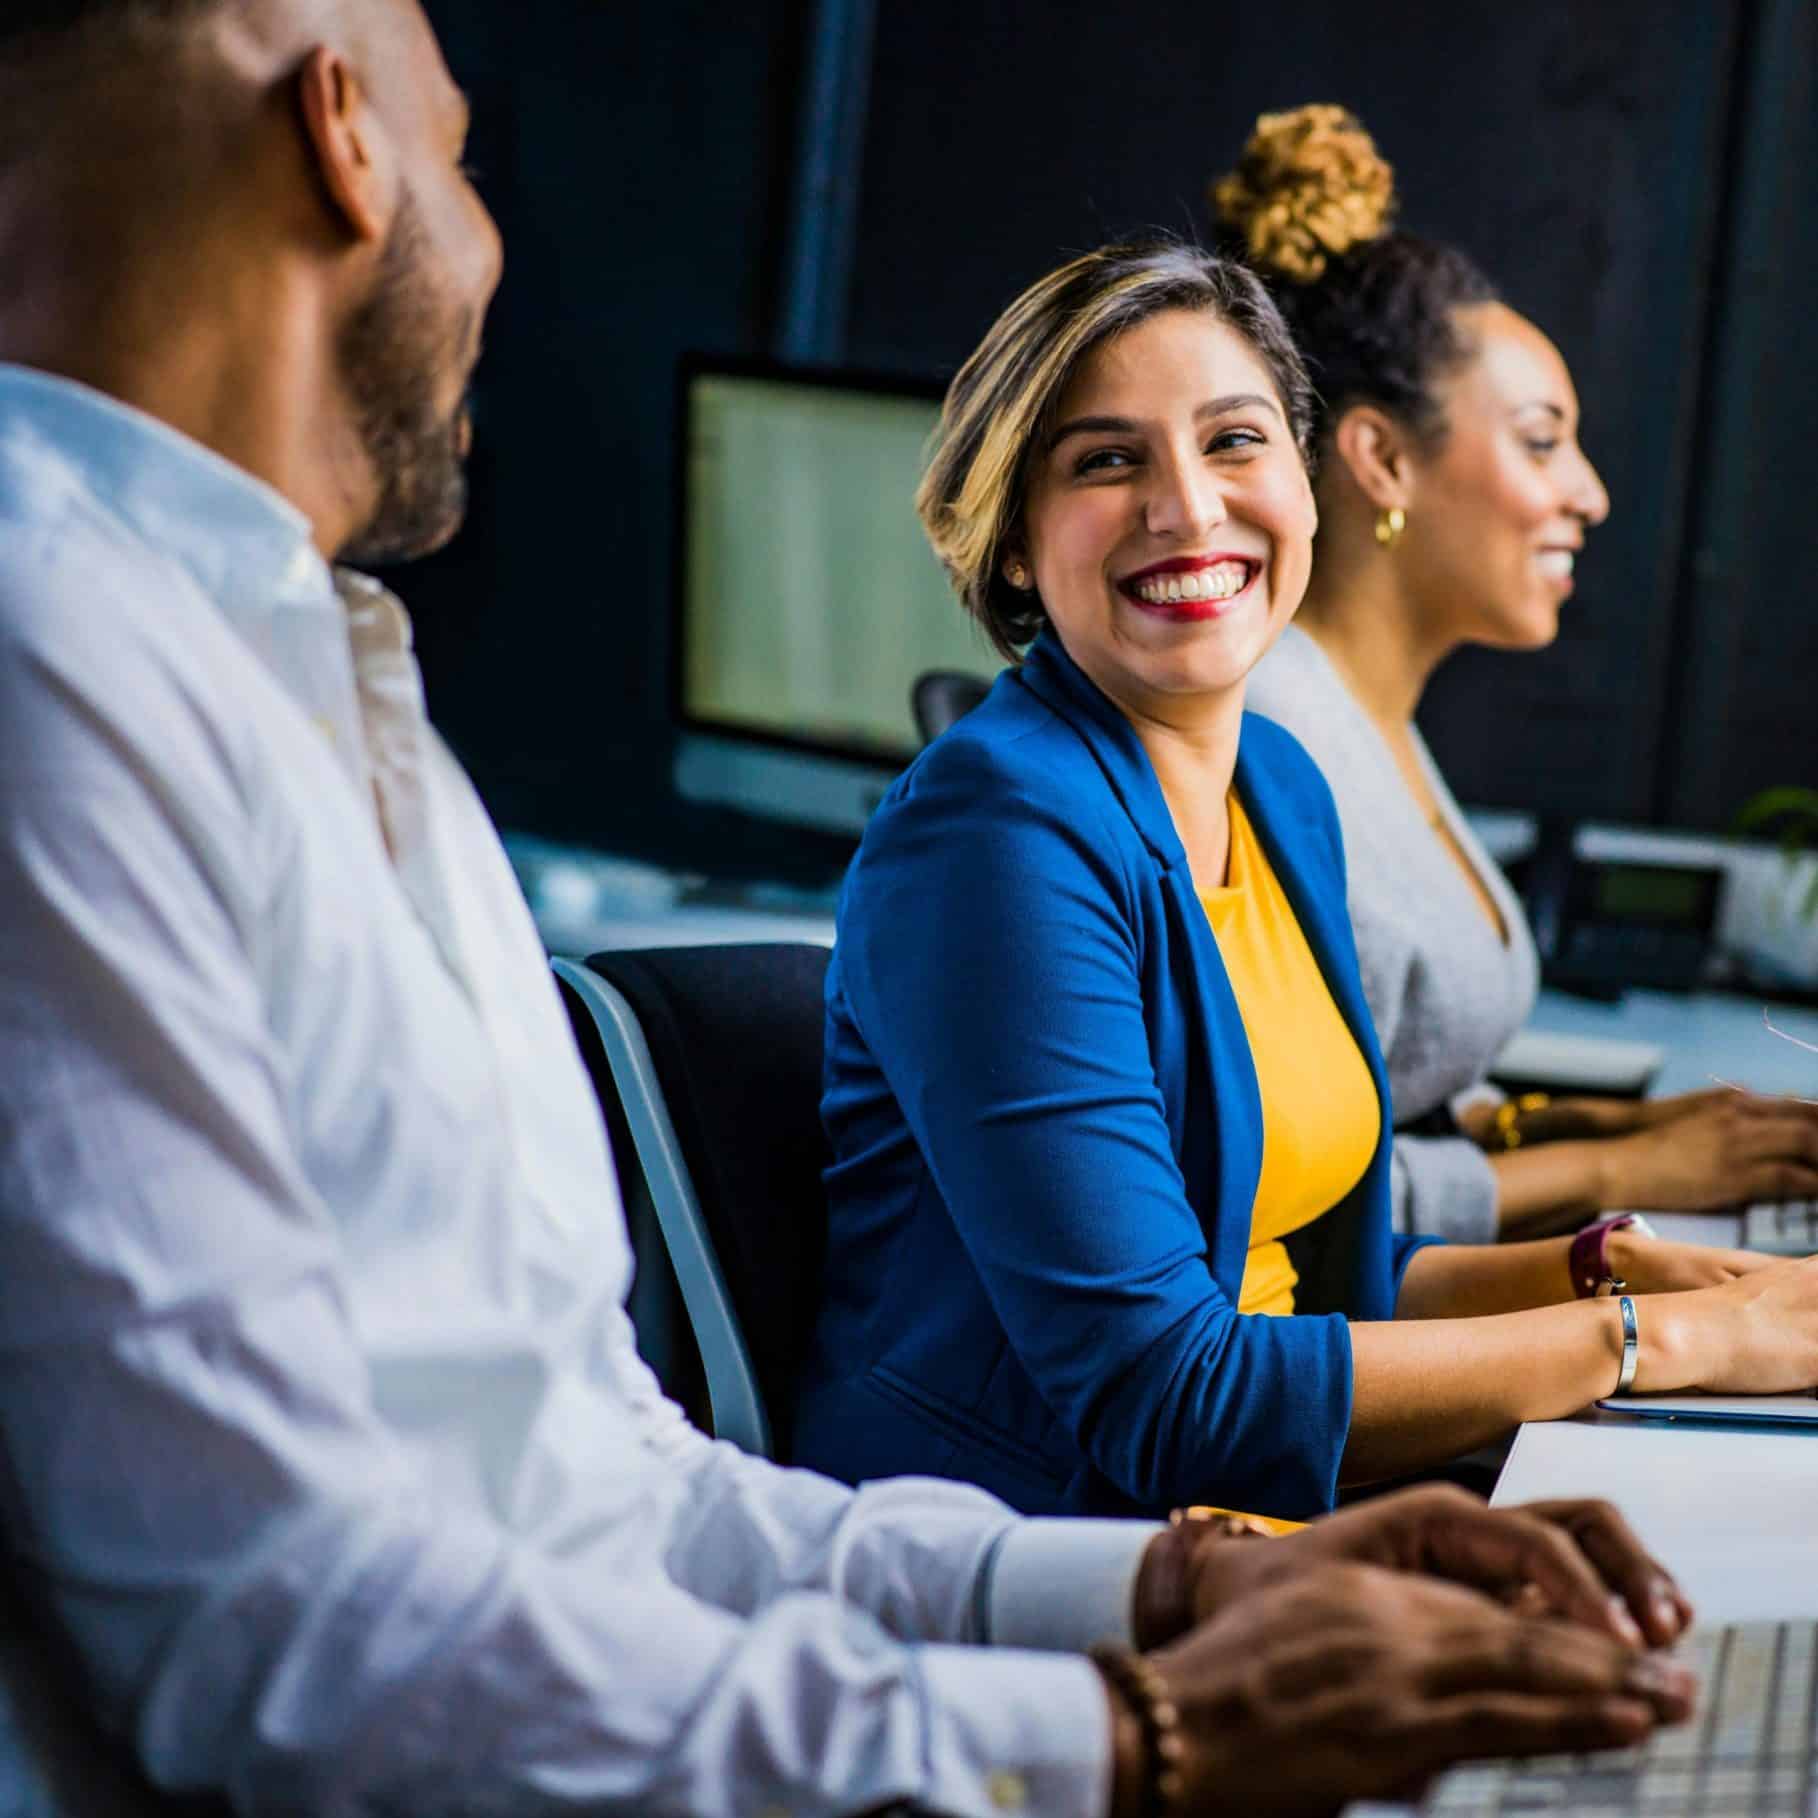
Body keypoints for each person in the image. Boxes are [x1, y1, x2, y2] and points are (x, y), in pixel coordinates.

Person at [0, 5, 1705, 1815]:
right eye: (463, 154)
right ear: (345, 139)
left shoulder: (315, 672)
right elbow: (287, 1646)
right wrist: (1138, 1727)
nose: (489, 244)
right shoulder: (63, 666)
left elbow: (608, 1490)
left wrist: (1180, 1591)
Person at [795, 234, 1818, 1527]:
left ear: (1304, 472)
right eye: (1106, 461)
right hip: (1048, 1552)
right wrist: (1661, 1341)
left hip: (1279, 1508)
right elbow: (1163, 1390)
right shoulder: (993, 833)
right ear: (1010, 544)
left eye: (1233, 441)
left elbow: (1316, 1283)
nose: (1186, 505)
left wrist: (1613, 1278)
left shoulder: (1275, 785)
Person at [1223, 104, 1818, 1244]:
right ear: (1383, 459)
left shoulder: (1369, 717)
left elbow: (1401, 1094)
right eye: (1543, 442)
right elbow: (1281, 1202)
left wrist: (1599, 1129)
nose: (1589, 494)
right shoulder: (1274, 741)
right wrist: (1618, 1169)